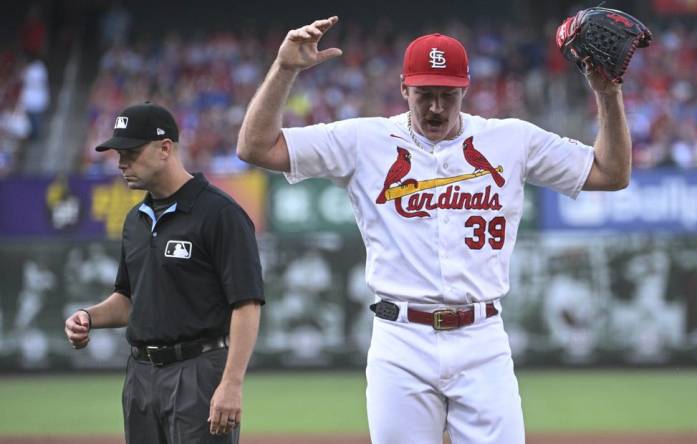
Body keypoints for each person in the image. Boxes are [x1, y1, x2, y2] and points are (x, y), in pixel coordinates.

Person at [237, 16, 630, 444]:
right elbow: (256, 147)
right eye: (425, 94)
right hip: (400, 338)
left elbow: (610, 172)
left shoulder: (512, 140)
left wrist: (607, 93)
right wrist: (285, 68)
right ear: (405, 89)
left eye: (447, 95)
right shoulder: (364, 140)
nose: (436, 107)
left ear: (466, 90)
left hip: (482, 337)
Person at [65, 102, 264, 443]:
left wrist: (231, 383)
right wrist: (88, 316)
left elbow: (246, 304)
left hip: (199, 371)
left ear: (165, 148)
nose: (121, 162)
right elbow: (129, 300)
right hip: (141, 375)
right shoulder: (135, 220)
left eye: (130, 151)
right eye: (117, 152)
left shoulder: (219, 213)